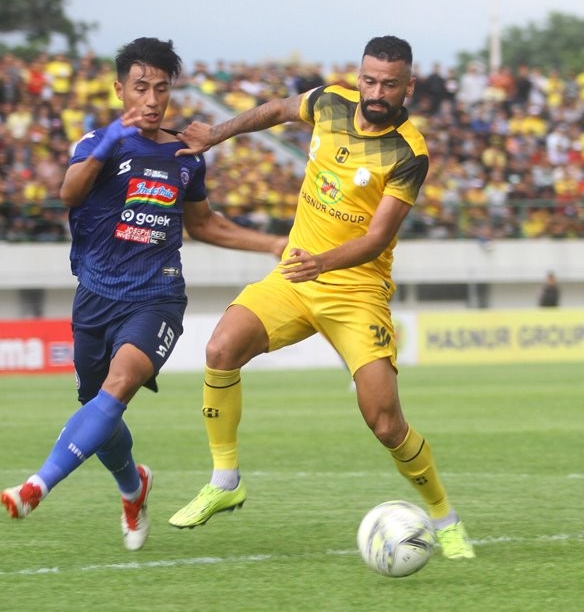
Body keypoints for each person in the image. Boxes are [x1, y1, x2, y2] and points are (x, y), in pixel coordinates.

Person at [169, 36, 476, 559]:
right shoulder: (330, 102)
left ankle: (445, 518)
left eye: (390, 84)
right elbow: (277, 110)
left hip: (356, 290)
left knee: (385, 422)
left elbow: (377, 237)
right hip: (296, 277)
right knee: (221, 349)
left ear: (409, 85)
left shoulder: (409, 152)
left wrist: (321, 262)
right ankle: (225, 481)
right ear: (359, 76)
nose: (377, 92)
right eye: (370, 80)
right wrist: (216, 134)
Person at [0, 38, 287, 551]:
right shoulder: (96, 143)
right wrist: (111, 138)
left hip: (157, 295)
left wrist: (270, 243)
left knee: (119, 384)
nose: (153, 99)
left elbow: (203, 225)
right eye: (141, 88)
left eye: (162, 89)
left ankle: (36, 485)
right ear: (119, 90)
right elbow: (68, 193)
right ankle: (134, 488)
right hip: (94, 297)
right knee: (98, 412)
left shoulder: (185, 155)